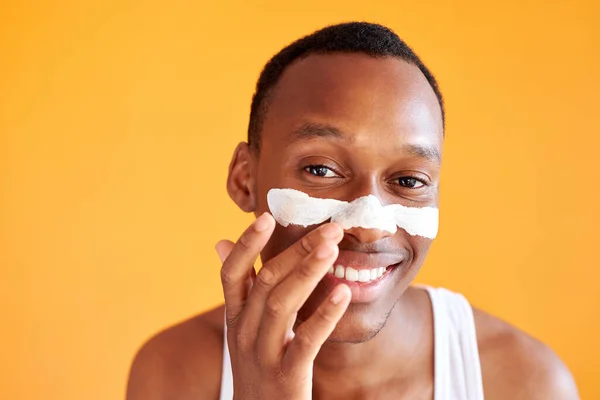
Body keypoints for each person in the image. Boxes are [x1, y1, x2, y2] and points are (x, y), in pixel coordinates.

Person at [126, 22, 579, 399]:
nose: (366, 225)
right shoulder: (176, 372)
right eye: (321, 169)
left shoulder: (524, 382)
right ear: (245, 178)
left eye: (408, 182)